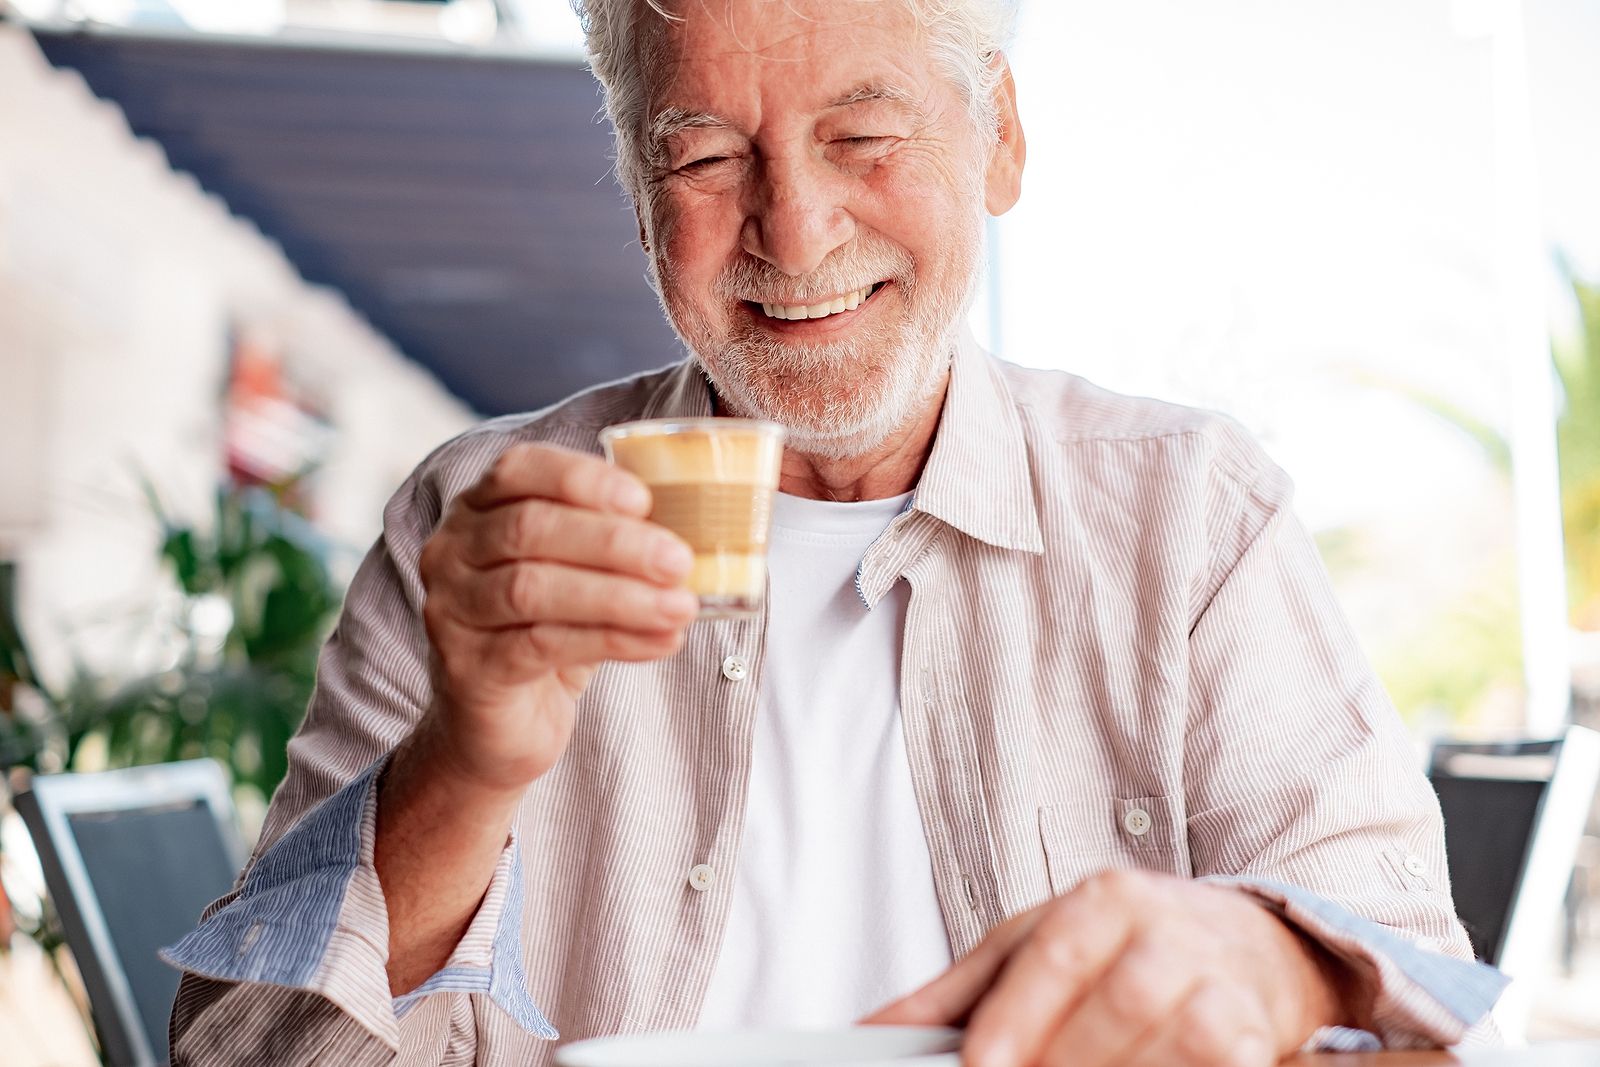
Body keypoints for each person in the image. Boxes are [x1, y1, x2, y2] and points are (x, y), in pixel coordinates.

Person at [163, 2, 1507, 1064]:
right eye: (702, 155)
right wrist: (465, 765)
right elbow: (242, 1062)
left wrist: (1272, 962)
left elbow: (1418, 1002)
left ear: (1000, 142)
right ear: (637, 193)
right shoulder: (480, 525)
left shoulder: (1189, 514)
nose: (794, 230)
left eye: (864, 135)